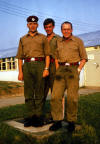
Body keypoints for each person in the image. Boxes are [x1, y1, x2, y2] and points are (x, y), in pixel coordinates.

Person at [49, 21, 88, 132]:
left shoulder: (78, 41)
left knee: (72, 98)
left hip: (73, 70)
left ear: (71, 30)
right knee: (55, 96)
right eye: (64, 29)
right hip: (60, 70)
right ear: (61, 30)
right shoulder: (57, 41)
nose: (66, 31)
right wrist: (57, 70)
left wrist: (78, 70)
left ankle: (71, 122)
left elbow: (84, 58)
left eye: (68, 29)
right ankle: (57, 121)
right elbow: (55, 57)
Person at [16, 15, 50, 127]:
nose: (32, 25)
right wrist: (20, 72)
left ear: (37, 25)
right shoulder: (22, 39)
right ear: (27, 25)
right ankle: (31, 117)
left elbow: (47, 55)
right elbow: (20, 57)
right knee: (28, 93)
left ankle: (38, 117)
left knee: (40, 92)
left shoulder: (43, 38)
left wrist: (46, 68)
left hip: (40, 65)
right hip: (27, 66)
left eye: (34, 24)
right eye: (30, 23)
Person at [43, 18, 62, 123]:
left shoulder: (58, 38)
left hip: (55, 66)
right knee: (43, 91)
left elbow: (60, 54)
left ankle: (55, 116)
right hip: (44, 66)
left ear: (53, 27)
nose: (48, 29)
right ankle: (39, 115)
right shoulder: (43, 39)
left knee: (55, 93)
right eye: (46, 27)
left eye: (50, 27)